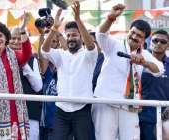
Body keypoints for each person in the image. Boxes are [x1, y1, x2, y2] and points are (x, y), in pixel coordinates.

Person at [93, 4, 164, 140]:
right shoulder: (114, 44)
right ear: (129, 31)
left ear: (143, 40)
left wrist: (144, 63)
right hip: (106, 101)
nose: (134, 36)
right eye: (133, 32)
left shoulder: (144, 54)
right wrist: (111, 17)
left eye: (139, 36)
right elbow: (100, 35)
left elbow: (159, 70)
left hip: (130, 106)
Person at [41, 1, 97, 140]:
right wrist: (54, 28)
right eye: (68, 35)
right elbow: (44, 50)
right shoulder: (61, 54)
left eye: (74, 35)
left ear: (81, 37)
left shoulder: (88, 55)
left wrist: (78, 20)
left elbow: (91, 46)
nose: (71, 38)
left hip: (82, 110)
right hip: (62, 110)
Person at [9, 13, 43, 140]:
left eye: (19, 38)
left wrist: (24, 64)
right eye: (12, 38)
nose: (16, 41)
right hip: (9, 114)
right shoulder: (2, 58)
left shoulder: (31, 59)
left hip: (30, 113)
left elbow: (38, 87)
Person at [138, 29, 169, 140]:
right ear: (150, 42)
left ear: (168, 45)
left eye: (163, 42)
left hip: (165, 115)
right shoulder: (139, 61)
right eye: (155, 40)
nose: (158, 43)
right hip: (139, 114)